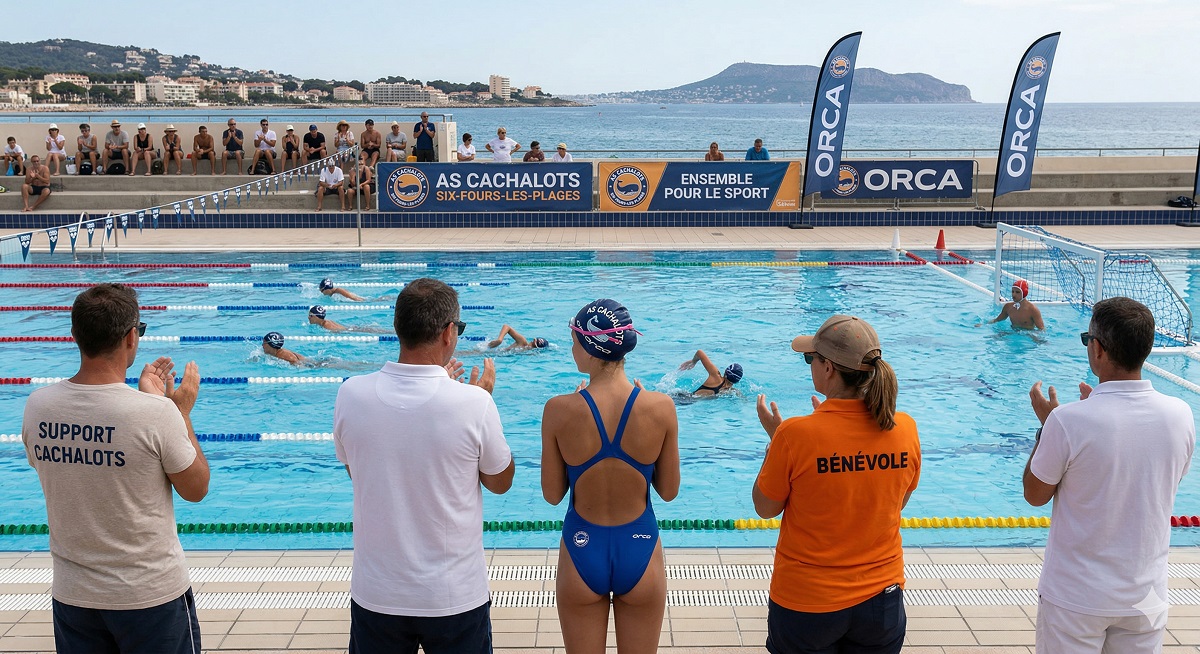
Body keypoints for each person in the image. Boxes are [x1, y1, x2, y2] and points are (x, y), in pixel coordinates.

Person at [21, 283, 209, 654]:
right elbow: (196, 488)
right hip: (150, 597)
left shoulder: (38, 406)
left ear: (75, 336)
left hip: (74, 597)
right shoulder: (155, 412)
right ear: (130, 338)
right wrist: (179, 411)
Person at [334, 277, 512, 653]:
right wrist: (477, 402)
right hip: (454, 596)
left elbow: (358, 472)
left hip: (377, 593)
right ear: (449, 332)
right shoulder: (473, 403)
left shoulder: (351, 394)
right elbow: (500, 481)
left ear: (398, 328)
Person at [1025, 297, 1194, 653]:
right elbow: (1157, 483)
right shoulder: (1180, 415)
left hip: (1076, 599)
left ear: (1098, 349)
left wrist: (1047, 429)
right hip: (1145, 595)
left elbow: (1035, 494)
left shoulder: (1068, 420)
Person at [754, 314, 920, 654]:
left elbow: (765, 508)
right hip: (882, 601)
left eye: (810, 358)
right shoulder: (904, 429)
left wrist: (776, 443)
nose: (810, 365)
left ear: (828, 368)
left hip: (808, 602)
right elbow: (893, 503)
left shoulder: (795, 435)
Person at [541, 299, 680, 653]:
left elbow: (552, 494)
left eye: (574, 340)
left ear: (590, 347)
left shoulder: (558, 410)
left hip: (581, 549)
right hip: (641, 548)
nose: (572, 348)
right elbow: (669, 490)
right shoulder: (660, 407)